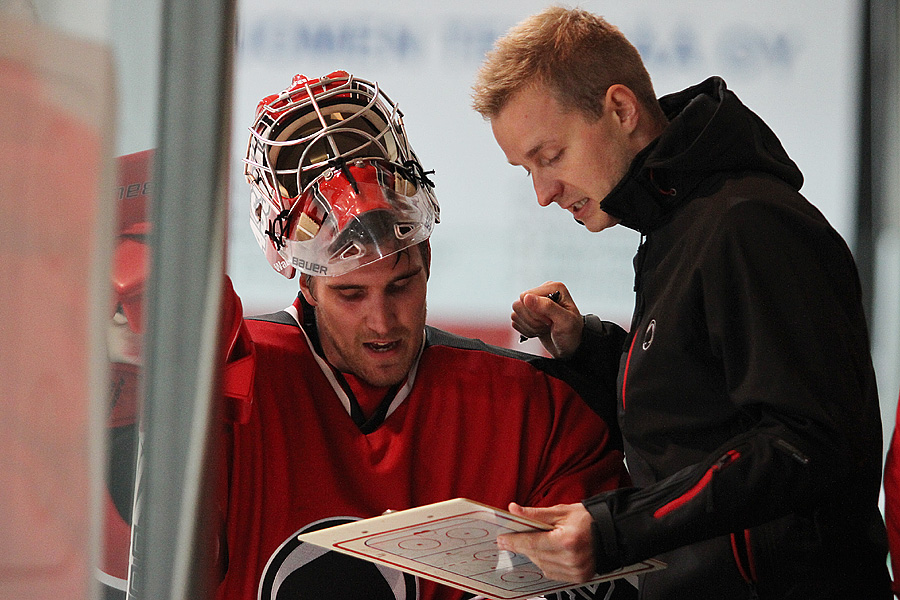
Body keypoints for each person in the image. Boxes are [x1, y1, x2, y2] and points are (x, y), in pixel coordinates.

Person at [106, 72, 633, 600]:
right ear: (307, 283)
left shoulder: (536, 408)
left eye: (401, 285)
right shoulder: (221, 382)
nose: (383, 322)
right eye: (352, 294)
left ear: (427, 258)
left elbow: (616, 576)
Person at [471, 6, 891, 599]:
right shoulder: (678, 228)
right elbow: (700, 410)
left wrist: (617, 528)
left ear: (621, 110)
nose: (542, 194)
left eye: (550, 156)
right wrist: (586, 345)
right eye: (527, 170)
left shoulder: (749, 222)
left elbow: (810, 441)